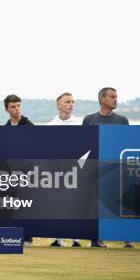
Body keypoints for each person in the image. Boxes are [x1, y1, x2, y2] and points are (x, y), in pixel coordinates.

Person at [83, 87, 133, 249]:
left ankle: (127, 240)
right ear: (102, 99)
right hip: (96, 171)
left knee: (123, 205)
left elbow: (127, 144)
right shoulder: (89, 120)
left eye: (116, 97)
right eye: (112, 97)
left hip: (117, 170)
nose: (116, 99)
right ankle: (95, 240)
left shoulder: (122, 120)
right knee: (96, 207)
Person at [47, 93, 82, 247]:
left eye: (73, 102)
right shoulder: (50, 125)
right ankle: (58, 239)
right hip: (56, 172)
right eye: (67, 102)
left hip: (75, 170)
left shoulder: (80, 125)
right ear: (58, 104)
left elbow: (84, 149)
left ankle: (76, 239)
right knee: (57, 206)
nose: (71, 104)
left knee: (75, 205)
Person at [3, 94, 34, 245]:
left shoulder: (29, 126)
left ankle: (27, 237)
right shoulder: (5, 128)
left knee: (26, 206)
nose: (17, 109)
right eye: (13, 107)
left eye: (18, 106)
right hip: (10, 174)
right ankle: (13, 237)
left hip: (26, 172)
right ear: (6, 109)